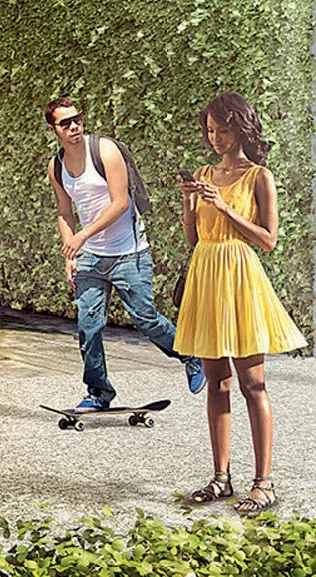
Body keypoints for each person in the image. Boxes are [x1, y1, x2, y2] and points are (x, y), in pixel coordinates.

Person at [174, 93, 306, 516]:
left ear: (242, 129)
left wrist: (224, 205)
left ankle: (264, 482)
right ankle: (220, 478)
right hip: (207, 275)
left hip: (242, 278)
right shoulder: (203, 174)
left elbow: (268, 240)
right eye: (210, 130)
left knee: (253, 383)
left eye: (223, 129)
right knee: (218, 383)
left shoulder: (259, 177)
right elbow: (193, 240)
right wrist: (189, 202)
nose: (215, 138)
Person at [44, 98, 202, 410]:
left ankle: (190, 354)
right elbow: (64, 212)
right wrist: (70, 255)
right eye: (65, 123)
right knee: (88, 327)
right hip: (90, 257)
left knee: (146, 319)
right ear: (53, 129)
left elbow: (120, 203)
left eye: (77, 119)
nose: (74, 126)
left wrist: (82, 236)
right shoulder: (57, 166)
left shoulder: (105, 151)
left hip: (129, 252)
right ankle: (98, 393)